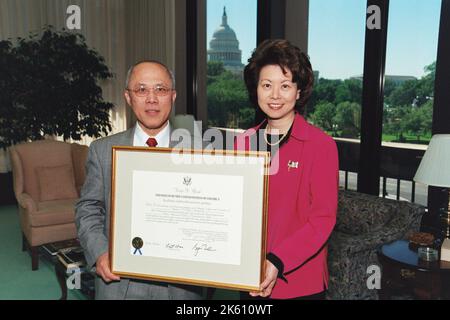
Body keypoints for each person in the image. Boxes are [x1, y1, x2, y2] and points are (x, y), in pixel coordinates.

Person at [75, 60, 204, 300]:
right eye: (142, 90)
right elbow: (88, 209)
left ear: (173, 96)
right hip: (120, 284)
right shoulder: (102, 150)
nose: (152, 98)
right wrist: (100, 253)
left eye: (161, 89)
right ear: (128, 96)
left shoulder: (202, 152)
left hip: (181, 288)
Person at [235, 39, 339, 299]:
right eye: (266, 85)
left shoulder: (321, 146)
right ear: (255, 89)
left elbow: (322, 220)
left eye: (285, 86)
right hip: (248, 277)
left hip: (299, 283)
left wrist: (278, 260)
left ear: (299, 91)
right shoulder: (241, 143)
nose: (275, 95)